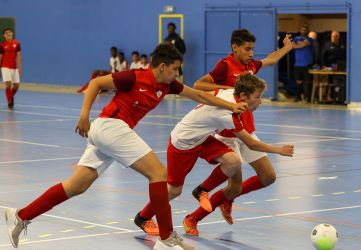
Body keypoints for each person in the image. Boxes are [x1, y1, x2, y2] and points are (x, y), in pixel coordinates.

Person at [3, 43, 247, 250]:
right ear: (162, 67)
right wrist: (84, 116)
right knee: (159, 174)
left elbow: (201, 96)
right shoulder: (133, 76)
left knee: (77, 185)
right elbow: (97, 83)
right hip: (109, 127)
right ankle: (166, 238)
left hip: (111, 134)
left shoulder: (168, 85)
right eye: (174, 69)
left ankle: (21, 215)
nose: (177, 74)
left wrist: (230, 106)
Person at [133, 73, 294, 236]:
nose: (260, 101)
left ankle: (201, 190)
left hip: (203, 139)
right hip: (183, 143)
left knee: (233, 161)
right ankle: (143, 217)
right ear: (244, 95)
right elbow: (251, 143)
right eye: (258, 97)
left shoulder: (229, 93)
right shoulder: (230, 114)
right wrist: (279, 150)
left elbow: (205, 95)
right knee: (174, 190)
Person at [190, 28, 293, 231]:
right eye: (247, 49)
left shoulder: (251, 65)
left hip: (247, 130)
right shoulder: (225, 66)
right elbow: (198, 85)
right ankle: (193, 218)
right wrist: (227, 89)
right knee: (234, 186)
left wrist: (287, 47)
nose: (251, 53)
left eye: (253, 49)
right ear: (235, 47)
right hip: (228, 134)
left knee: (268, 177)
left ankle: (227, 199)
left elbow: (270, 60)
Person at [0, 28, 22, 109]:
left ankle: (10, 96)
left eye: (10, 32)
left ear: (12, 34)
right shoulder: (2, 45)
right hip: (5, 67)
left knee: (16, 86)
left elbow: (19, 56)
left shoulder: (17, 43)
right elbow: (0, 57)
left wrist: (20, 68)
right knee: (8, 84)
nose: (8, 33)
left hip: (14, 67)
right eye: (6, 33)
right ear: (4, 35)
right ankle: (9, 101)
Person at [292, 25, 313, 102]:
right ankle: (298, 97)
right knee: (298, 81)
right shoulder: (296, 38)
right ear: (300, 30)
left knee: (307, 82)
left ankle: (308, 98)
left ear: (307, 31)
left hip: (307, 63)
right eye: (302, 30)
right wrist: (298, 45)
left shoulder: (310, 39)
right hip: (297, 64)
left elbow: (304, 44)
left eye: (305, 30)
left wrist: (298, 45)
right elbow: (292, 45)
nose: (303, 31)